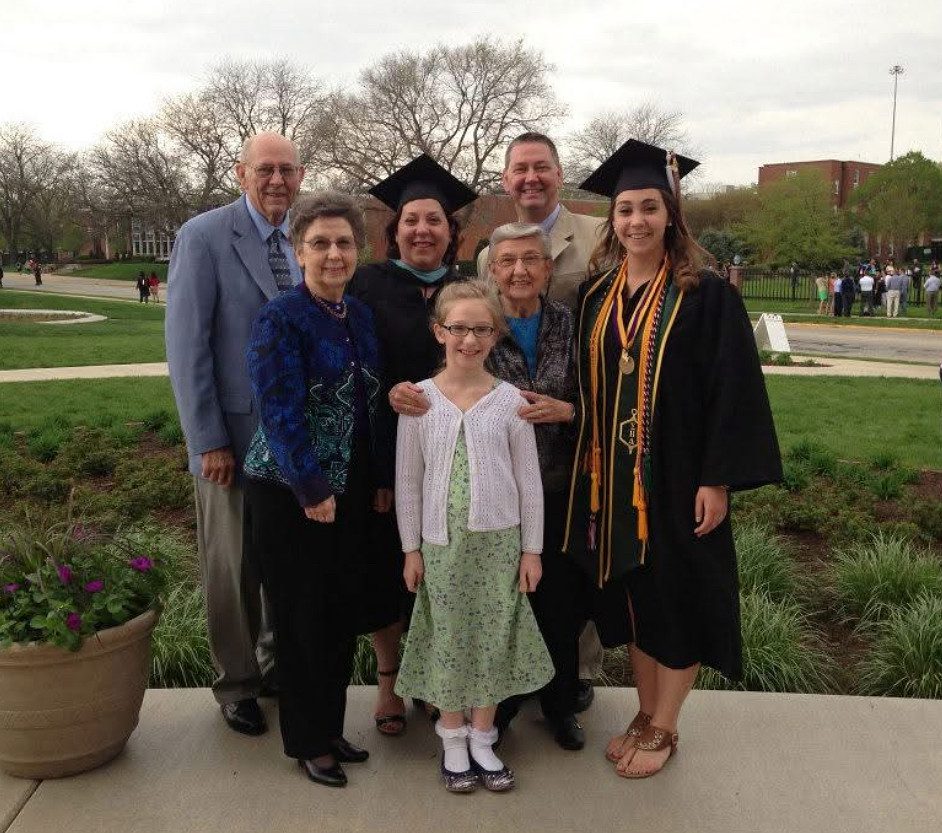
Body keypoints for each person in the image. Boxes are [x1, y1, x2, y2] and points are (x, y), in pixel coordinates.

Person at [564, 140, 781, 779]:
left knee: (679, 595)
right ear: (614, 219)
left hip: (681, 477)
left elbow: (733, 390)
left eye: (648, 208)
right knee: (635, 598)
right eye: (625, 209)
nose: (635, 220)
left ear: (671, 215)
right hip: (613, 484)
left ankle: (666, 723)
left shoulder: (707, 296)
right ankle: (643, 707)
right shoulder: (595, 297)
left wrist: (717, 478)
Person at [243, 192, 395, 789]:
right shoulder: (280, 317)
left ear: (358, 251)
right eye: (320, 243)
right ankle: (307, 742)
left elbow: (371, 405)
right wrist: (309, 487)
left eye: (344, 243)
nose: (334, 254)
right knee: (302, 617)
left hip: (350, 487)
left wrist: (379, 479)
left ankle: (329, 727)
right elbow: (278, 410)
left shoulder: (356, 314)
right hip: (290, 492)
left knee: (336, 615)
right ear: (298, 250)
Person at [165, 132, 305, 736]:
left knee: (281, 561)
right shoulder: (205, 236)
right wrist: (207, 440)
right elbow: (187, 347)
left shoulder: (306, 237)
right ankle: (237, 682)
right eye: (265, 169)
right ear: (240, 173)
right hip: (233, 438)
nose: (277, 180)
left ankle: (274, 667)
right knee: (232, 564)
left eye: (288, 170)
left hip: (296, 441)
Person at [394, 280, 553, 793]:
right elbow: (408, 482)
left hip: (498, 546)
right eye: (459, 328)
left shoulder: (509, 401)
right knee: (448, 637)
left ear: (495, 335)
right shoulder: (419, 402)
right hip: (441, 548)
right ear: (440, 331)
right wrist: (411, 548)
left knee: (492, 636)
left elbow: (529, 481)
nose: (469, 340)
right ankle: (452, 734)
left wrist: (532, 550)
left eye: (481, 329)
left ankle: (484, 735)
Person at [474, 130, 605, 709]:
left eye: (542, 167)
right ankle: (502, 692)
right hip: (500, 478)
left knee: (566, 588)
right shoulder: (483, 299)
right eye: (519, 169)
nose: (531, 178)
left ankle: (570, 687)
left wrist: (572, 412)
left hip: (568, 468)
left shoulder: (601, 237)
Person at [349, 154, 477, 737]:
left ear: (452, 233)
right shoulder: (367, 284)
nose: (422, 230)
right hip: (384, 447)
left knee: (443, 563)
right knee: (384, 566)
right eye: (410, 221)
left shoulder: (469, 286)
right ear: (394, 230)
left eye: (434, 221)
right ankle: (389, 681)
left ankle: (436, 680)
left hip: (458, 454)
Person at [483, 223, 585, 751]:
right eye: (507, 261)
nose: (519, 270)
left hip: (562, 487)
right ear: (493, 271)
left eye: (530, 259)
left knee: (559, 605)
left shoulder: (573, 324)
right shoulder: (479, 328)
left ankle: (560, 702)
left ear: (548, 269)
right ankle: (497, 709)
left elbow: (607, 394)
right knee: (503, 601)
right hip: (497, 491)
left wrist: (569, 411)